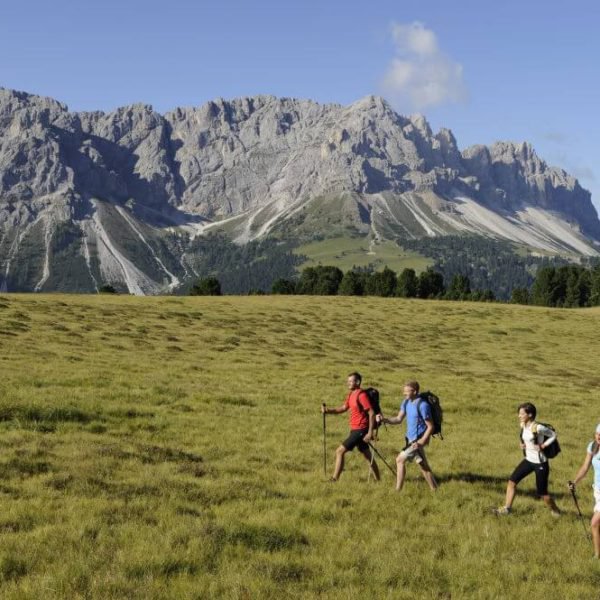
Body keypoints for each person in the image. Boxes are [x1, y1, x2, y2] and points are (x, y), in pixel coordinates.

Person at [494, 402, 560, 516]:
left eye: (521, 413)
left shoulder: (538, 427)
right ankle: (507, 509)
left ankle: (556, 510)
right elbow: (524, 437)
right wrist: (522, 444)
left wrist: (543, 446)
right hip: (528, 460)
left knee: (542, 494)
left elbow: (554, 435)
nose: (519, 416)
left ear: (530, 415)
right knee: (511, 482)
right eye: (519, 413)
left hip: (540, 463)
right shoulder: (522, 425)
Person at [321, 372, 380, 482]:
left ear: (357, 382)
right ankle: (379, 481)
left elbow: (371, 413)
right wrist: (328, 411)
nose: (348, 383)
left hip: (361, 429)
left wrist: (370, 433)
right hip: (355, 429)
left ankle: (334, 479)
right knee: (367, 455)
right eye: (347, 381)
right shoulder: (351, 394)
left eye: (350, 381)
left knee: (339, 451)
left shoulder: (361, 395)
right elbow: (343, 408)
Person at [382, 380, 437, 492]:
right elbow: (398, 419)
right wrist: (385, 420)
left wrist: (421, 441)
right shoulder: (406, 403)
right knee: (423, 466)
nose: (404, 393)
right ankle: (435, 489)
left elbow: (431, 427)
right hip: (410, 439)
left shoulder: (423, 405)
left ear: (415, 391)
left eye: (406, 391)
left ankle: (398, 490)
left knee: (399, 460)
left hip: (417, 441)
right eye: (404, 391)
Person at [568, 423, 600, 559]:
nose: (599, 436)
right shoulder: (593, 446)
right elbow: (585, 466)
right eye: (598, 433)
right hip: (597, 490)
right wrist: (575, 482)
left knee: (594, 523)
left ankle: (597, 556)